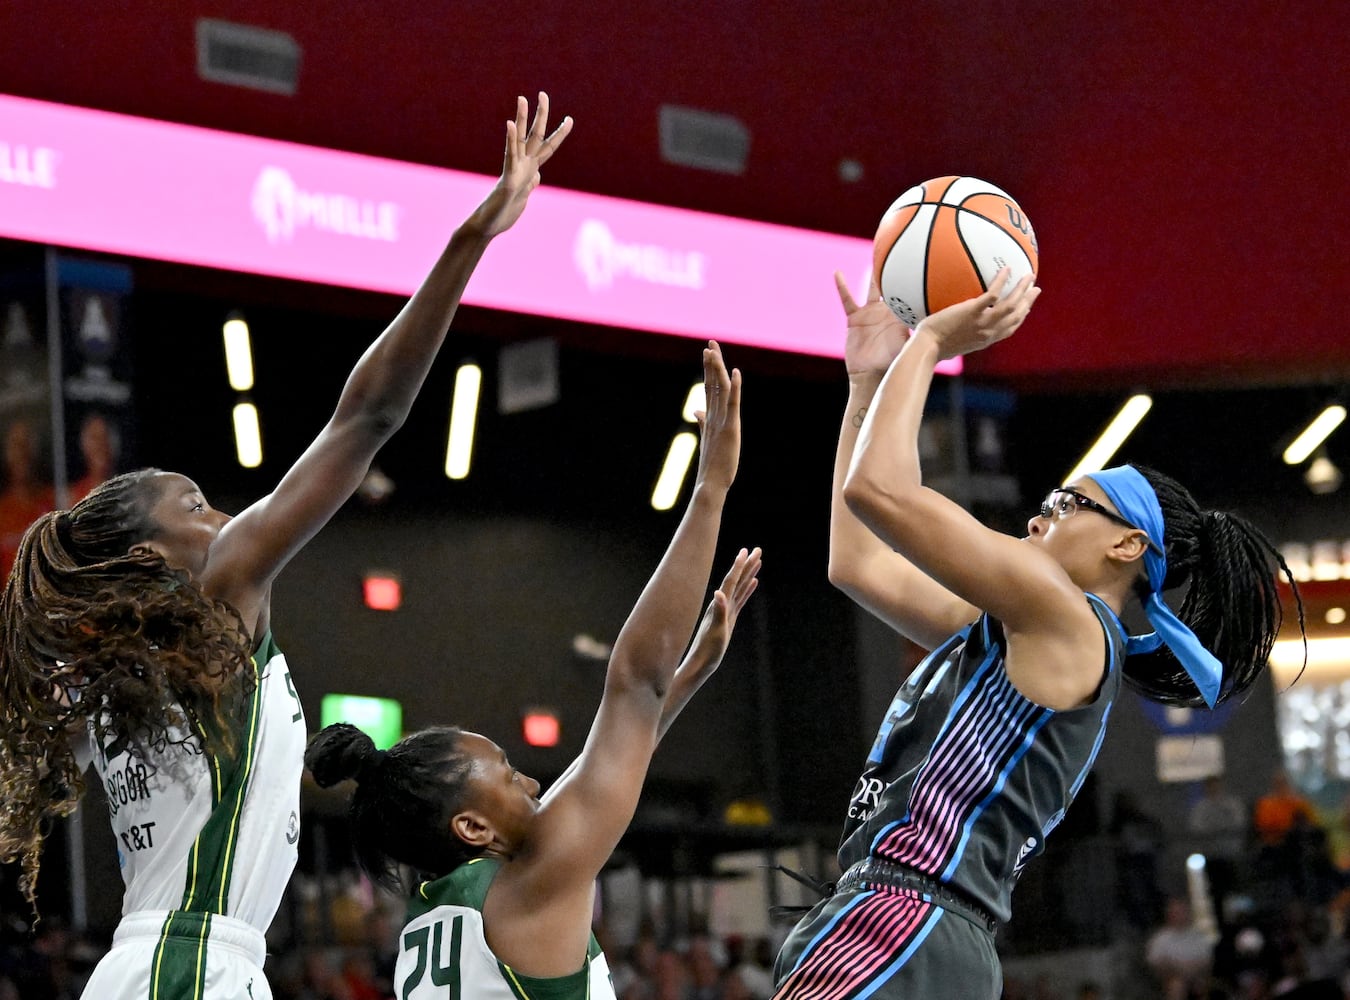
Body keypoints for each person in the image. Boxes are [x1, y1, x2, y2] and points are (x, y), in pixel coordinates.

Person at [0, 93, 572, 1000]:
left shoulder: (130, 673)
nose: (219, 512)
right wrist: (469, 244)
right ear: (152, 559)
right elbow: (367, 418)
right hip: (193, 966)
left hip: (159, 965)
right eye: (189, 504)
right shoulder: (217, 593)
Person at [771, 271, 1304, 1000]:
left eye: (1066, 503)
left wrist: (927, 343)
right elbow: (856, 561)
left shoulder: (1068, 616)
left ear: (1126, 547)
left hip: (908, 922)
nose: (1037, 517)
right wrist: (866, 386)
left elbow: (882, 492)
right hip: (901, 920)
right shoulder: (1022, 628)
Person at [304, 342, 757, 1000]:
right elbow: (630, 686)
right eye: (511, 777)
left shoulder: (427, 919)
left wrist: (683, 680)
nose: (533, 780)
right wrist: (710, 491)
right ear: (473, 828)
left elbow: (600, 763)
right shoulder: (532, 884)